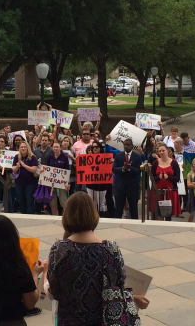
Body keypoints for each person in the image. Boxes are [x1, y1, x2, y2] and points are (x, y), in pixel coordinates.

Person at [47, 192, 137, 326]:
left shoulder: (59, 249)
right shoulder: (111, 249)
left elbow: (53, 293)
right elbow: (120, 285)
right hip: (105, 320)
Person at [149, 143, 181, 220]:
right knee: (157, 213)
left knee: (168, 214)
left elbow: (177, 178)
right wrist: (159, 177)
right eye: (159, 151)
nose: (161, 152)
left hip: (170, 192)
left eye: (163, 150)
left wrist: (168, 177)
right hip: (158, 192)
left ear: (167, 151)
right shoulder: (155, 163)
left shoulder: (174, 163)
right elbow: (152, 178)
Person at [113, 139, 142, 219]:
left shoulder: (137, 156)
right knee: (118, 208)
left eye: (128, 145)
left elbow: (139, 171)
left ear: (132, 146)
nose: (126, 146)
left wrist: (130, 168)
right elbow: (114, 169)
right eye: (125, 145)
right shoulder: (119, 155)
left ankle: (135, 224)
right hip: (120, 186)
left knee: (133, 208)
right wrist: (123, 168)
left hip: (132, 186)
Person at [43, 142, 70, 215]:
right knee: (52, 200)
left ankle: (66, 216)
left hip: (62, 182)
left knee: (63, 200)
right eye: (54, 147)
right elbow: (47, 168)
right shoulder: (50, 157)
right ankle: (54, 215)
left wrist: (68, 183)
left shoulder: (64, 157)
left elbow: (67, 170)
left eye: (57, 147)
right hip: (52, 182)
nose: (56, 148)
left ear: (60, 148)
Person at [12, 142, 38, 214]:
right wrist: (17, 166)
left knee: (29, 201)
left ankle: (30, 216)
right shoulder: (17, 157)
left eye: (24, 147)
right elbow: (13, 169)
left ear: (28, 148)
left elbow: (34, 170)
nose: (23, 148)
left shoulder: (32, 157)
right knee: (22, 201)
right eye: (22, 147)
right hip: (19, 183)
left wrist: (24, 166)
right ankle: (23, 214)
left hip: (30, 183)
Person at [85, 142, 109, 216]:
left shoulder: (105, 157)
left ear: (100, 148)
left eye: (96, 147)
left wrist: (112, 162)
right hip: (90, 183)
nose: (94, 149)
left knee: (101, 203)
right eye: (93, 147)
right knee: (92, 202)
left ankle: (102, 217)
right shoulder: (88, 157)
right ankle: (93, 217)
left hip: (102, 183)